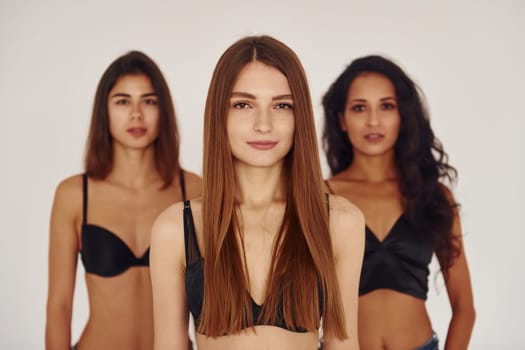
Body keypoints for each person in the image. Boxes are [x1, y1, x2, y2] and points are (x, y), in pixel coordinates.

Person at [150, 35, 365, 350]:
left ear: (299, 116)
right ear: (219, 115)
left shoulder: (340, 221)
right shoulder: (176, 228)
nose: (263, 124)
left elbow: (342, 345)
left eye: (281, 105)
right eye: (243, 104)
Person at [45, 50, 202, 350]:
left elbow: (211, 304)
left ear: (164, 110)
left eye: (149, 101)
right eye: (122, 101)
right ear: (104, 110)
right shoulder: (75, 195)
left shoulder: (192, 190)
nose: (136, 114)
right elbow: (59, 305)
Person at [322, 55, 475, 349]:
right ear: (342, 119)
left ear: (403, 115)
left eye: (386, 106)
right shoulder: (321, 195)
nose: (373, 121)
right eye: (359, 108)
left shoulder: (434, 196)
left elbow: (464, 307)